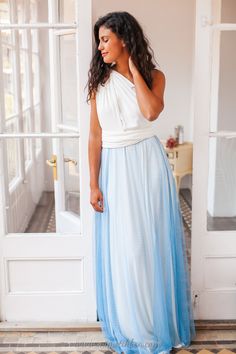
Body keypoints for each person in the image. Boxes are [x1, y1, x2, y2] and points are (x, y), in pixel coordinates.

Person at [87, 11, 196, 354]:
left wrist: (134, 70)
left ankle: (155, 324)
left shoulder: (154, 76)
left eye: (106, 39)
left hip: (147, 165)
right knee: (125, 248)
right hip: (115, 169)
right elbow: (94, 136)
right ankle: (133, 325)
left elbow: (150, 113)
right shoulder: (98, 83)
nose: (100, 46)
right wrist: (93, 183)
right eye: (99, 41)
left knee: (149, 246)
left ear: (124, 39)